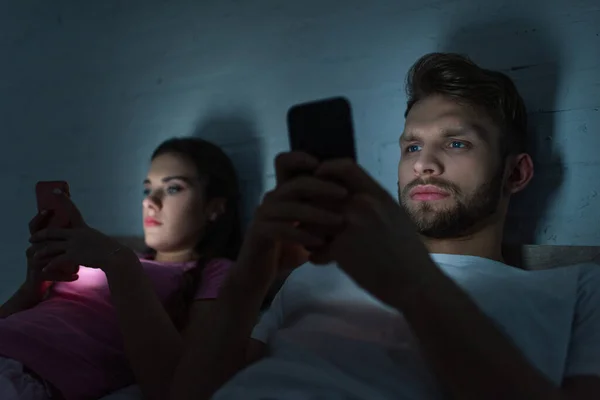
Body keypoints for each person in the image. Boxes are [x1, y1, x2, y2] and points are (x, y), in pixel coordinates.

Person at [169, 53, 600, 400]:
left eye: (456, 143)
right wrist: (248, 278)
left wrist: (412, 284)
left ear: (516, 174)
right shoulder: (314, 275)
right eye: (412, 145)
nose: (423, 164)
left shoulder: (578, 292)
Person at [0, 137, 242, 400]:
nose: (151, 202)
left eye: (173, 189)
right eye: (147, 190)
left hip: (30, 375)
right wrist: (31, 289)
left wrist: (119, 264)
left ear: (215, 207)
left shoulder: (215, 271)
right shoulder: (114, 251)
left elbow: (184, 381)